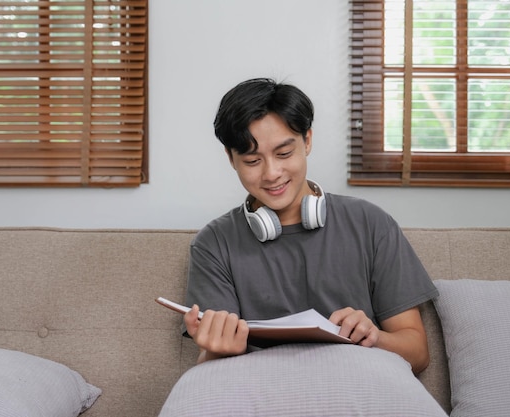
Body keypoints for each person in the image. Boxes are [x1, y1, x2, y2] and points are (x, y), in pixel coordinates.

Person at [183, 78, 438, 375]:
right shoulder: (214, 244)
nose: (272, 173)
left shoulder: (371, 223)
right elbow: (208, 370)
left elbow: (418, 354)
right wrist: (215, 349)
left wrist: (373, 337)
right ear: (231, 159)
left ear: (307, 140)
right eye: (253, 161)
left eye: (284, 154)